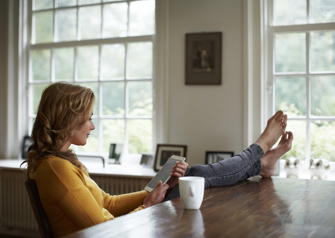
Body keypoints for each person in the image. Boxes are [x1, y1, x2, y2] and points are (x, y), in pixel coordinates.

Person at [22, 82, 293, 237]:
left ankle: (260, 158)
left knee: (191, 176)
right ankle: (259, 152)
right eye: (89, 117)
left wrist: (154, 191)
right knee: (196, 176)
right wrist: (148, 206)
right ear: (70, 118)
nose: (92, 125)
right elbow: (103, 230)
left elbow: (106, 203)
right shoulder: (56, 169)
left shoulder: (59, 164)